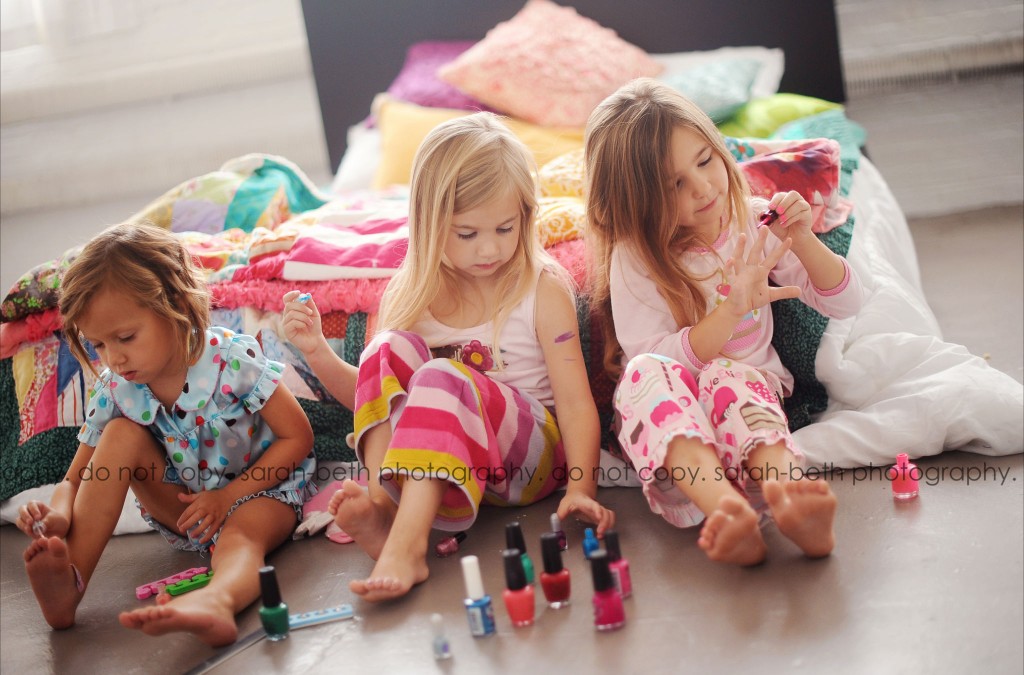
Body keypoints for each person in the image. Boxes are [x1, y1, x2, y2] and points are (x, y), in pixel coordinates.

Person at [284, 112, 615, 602]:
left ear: (526, 215)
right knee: (386, 348)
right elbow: (374, 395)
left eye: (505, 228)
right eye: (467, 234)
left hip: (531, 464)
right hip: (445, 468)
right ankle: (384, 506)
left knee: (443, 375)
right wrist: (317, 353)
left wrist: (581, 489)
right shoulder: (412, 293)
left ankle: (408, 547)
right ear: (430, 224)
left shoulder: (540, 289)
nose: (490, 248)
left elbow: (573, 401)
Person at [584, 78, 863, 566]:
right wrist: (729, 312)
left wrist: (801, 237)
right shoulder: (634, 258)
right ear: (636, 202)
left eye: (705, 161)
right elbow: (654, 358)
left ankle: (790, 495)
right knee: (642, 373)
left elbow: (844, 302)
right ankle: (725, 510)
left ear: (718, 147)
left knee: (727, 375)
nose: (704, 188)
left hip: (749, 403)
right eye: (675, 185)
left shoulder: (753, 221)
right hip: (674, 431)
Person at [16, 222, 316, 646]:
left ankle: (218, 601)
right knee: (119, 434)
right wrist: (60, 517)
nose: (114, 358)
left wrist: (228, 498)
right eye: (98, 345)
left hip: (259, 495)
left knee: (241, 536)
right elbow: (74, 478)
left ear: (174, 304)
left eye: (125, 337)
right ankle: (70, 579)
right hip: (186, 511)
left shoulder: (232, 360)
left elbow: (297, 438)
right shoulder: (117, 387)